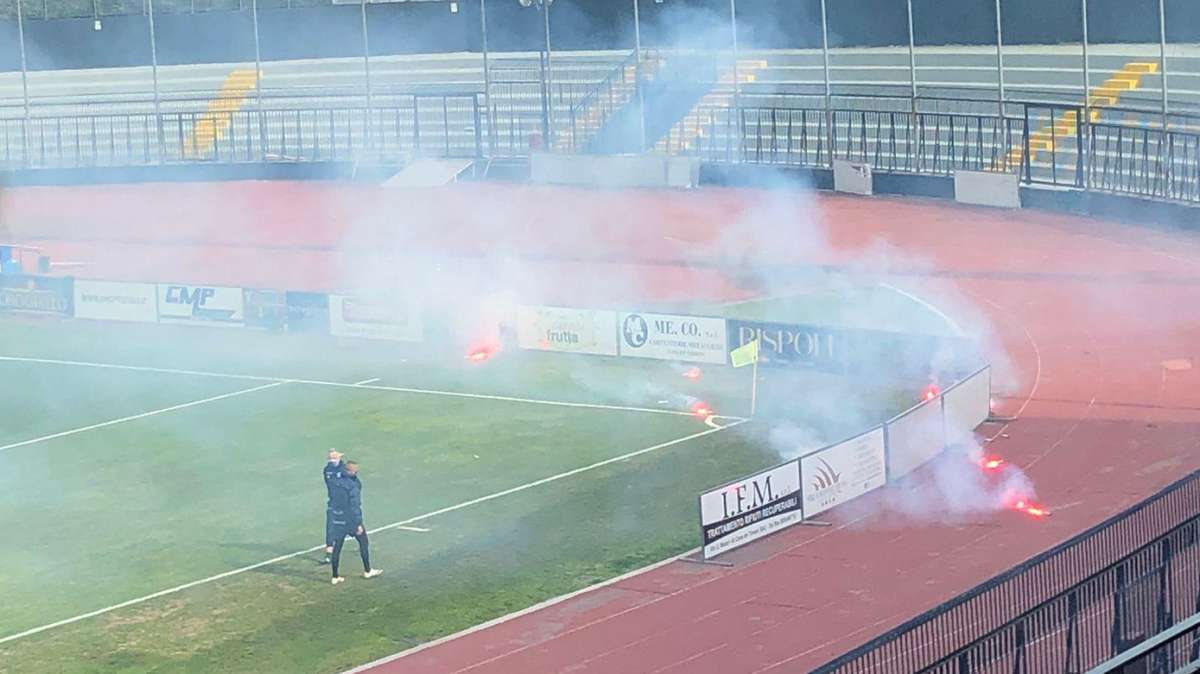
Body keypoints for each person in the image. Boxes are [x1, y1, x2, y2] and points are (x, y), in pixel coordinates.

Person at [328, 460, 382, 585]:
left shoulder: (335, 481)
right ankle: (367, 570)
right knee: (363, 542)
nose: (356, 473)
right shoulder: (352, 486)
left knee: (337, 547)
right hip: (350, 521)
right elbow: (354, 506)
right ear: (350, 471)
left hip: (337, 518)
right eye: (355, 471)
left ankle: (335, 576)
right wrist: (358, 524)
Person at [320, 449, 345, 565]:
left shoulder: (344, 469)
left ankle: (362, 543)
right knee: (330, 526)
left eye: (334, 459)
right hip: (333, 502)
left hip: (345, 503)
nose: (332, 461)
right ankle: (329, 553)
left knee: (353, 524)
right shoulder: (327, 470)